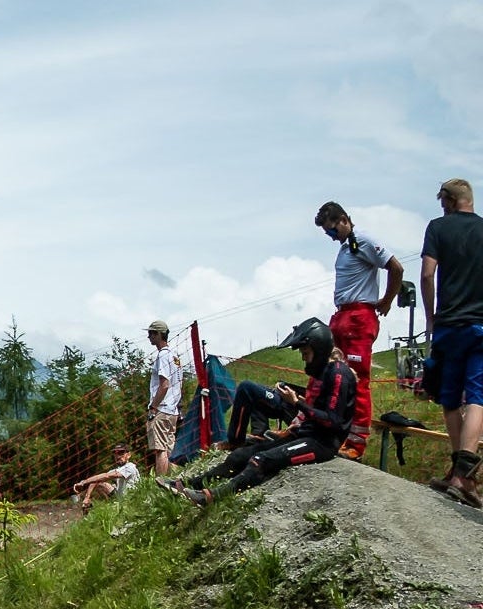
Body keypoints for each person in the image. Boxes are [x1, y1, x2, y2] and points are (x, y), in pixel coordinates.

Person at [168, 318, 355, 505]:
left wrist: (296, 402)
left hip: (322, 444)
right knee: (240, 456)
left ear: (319, 350)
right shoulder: (323, 374)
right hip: (305, 434)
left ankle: (210, 497)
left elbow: (332, 421)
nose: (303, 358)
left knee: (261, 459)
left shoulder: (339, 374)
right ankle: (186, 484)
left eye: (306, 353)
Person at [315, 202, 402, 460]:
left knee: (356, 378)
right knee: (326, 371)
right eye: (327, 234)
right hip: (342, 315)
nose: (332, 237)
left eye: (333, 230)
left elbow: (396, 267)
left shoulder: (363, 240)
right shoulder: (345, 247)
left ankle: (356, 442)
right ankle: (326, 431)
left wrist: (387, 300)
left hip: (359, 316)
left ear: (344, 219)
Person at [422, 178, 483, 507]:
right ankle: (464, 477)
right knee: (477, 397)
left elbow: (427, 274)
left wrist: (430, 317)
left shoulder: (438, 227)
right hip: (480, 327)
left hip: (448, 326)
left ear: (449, 199)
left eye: (442, 201)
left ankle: (458, 474)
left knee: (449, 399)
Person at [143, 320, 186, 478]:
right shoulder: (175, 357)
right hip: (173, 410)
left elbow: (164, 384)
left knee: (160, 450)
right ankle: (176, 480)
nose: (149, 337)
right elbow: (178, 384)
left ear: (159, 334)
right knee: (169, 450)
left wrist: (153, 407)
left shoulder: (162, 356)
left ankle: (160, 484)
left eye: (151, 333)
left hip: (161, 409)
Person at [70, 444, 140, 506]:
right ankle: (84, 501)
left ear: (129, 455)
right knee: (98, 481)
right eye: (115, 453)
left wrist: (84, 482)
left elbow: (107, 476)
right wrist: (87, 497)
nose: (118, 456)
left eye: (121, 453)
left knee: (102, 479)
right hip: (119, 498)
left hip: (132, 501)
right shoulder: (118, 469)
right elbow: (99, 479)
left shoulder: (130, 467)